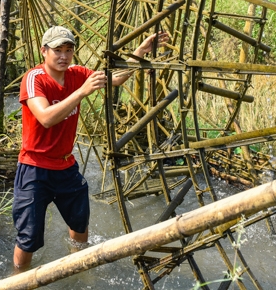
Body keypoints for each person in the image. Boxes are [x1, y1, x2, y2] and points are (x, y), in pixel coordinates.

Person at [12, 25, 168, 272]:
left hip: (65, 166)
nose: (63, 56)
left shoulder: (77, 73)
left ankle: (79, 272)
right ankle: (18, 280)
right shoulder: (34, 79)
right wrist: (82, 92)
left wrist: (140, 50)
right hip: (35, 168)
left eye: (69, 50)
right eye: (57, 50)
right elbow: (45, 117)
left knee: (80, 225)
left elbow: (115, 79)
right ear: (44, 51)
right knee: (29, 238)